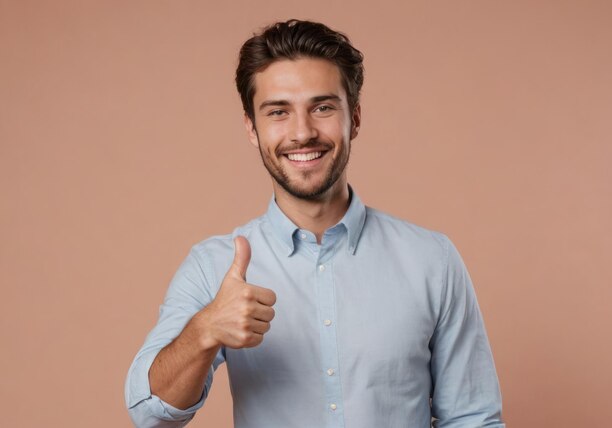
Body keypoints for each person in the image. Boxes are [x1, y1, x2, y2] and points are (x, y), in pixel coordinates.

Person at [125, 19, 504, 428]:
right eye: (278, 112)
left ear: (354, 118)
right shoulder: (212, 266)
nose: (302, 133)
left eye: (322, 107)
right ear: (252, 128)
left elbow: (474, 418)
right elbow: (149, 414)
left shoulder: (432, 260)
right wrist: (204, 330)